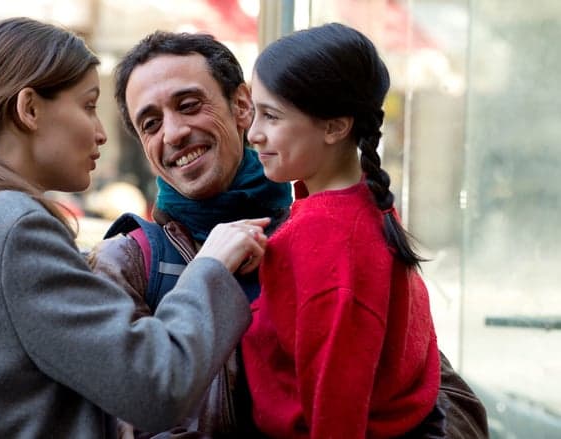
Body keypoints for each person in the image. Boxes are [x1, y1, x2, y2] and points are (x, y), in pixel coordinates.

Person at [0, 17, 271, 438]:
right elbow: (154, 386)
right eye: (89, 106)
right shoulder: (14, 229)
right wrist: (210, 268)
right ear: (30, 109)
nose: (101, 133)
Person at [88, 30, 489, 438]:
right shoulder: (127, 263)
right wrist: (208, 274)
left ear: (242, 105)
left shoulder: (330, 232)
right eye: (150, 124)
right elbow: (120, 423)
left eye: (189, 106)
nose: (173, 133)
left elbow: (441, 397)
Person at [241, 22, 441, 438]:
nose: (253, 133)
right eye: (254, 112)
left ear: (335, 127)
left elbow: (338, 406)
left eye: (271, 116)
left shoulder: (327, 235)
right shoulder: (367, 204)